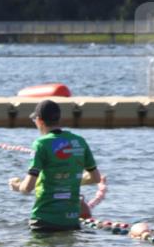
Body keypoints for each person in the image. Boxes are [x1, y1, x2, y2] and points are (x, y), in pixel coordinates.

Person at [9, 99, 101, 232]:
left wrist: (16, 185)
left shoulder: (41, 144)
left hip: (44, 220)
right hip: (71, 220)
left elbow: (27, 188)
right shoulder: (79, 141)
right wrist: (68, 179)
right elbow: (96, 178)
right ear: (58, 119)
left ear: (39, 120)